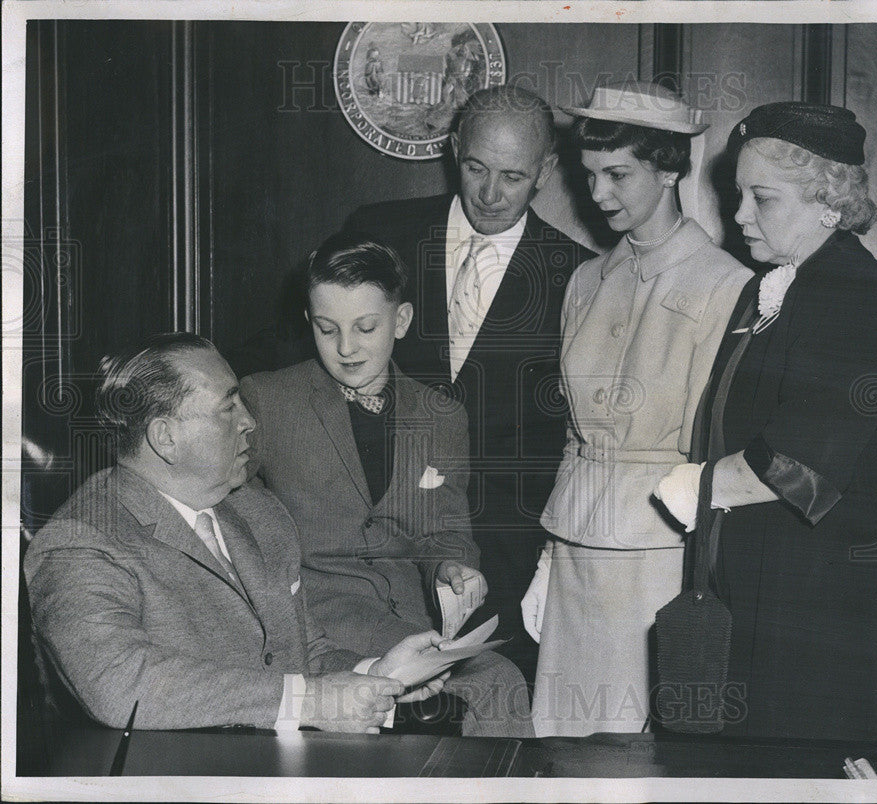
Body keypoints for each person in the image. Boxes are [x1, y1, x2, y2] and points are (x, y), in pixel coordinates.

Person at [655, 101, 877, 742]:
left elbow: (801, 467)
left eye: (763, 198)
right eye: (738, 195)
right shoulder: (783, 283)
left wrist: (695, 487)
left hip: (833, 604)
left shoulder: (851, 292)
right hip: (780, 588)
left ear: (828, 204)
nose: (739, 215)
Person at [23, 333, 451, 732]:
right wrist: (311, 702)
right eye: (229, 407)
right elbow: (119, 685)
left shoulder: (258, 511)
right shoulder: (80, 541)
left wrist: (374, 675)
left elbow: (303, 654)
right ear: (165, 437)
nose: (249, 421)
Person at [341, 85, 595, 682]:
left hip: (505, 556)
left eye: (512, 176)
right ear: (454, 148)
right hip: (379, 545)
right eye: (476, 167)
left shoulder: (579, 275)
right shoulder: (377, 233)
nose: (489, 193)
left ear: (546, 172)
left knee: (493, 722)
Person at [523, 82, 752, 736]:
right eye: (589, 175)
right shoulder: (585, 280)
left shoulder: (726, 284)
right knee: (562, 738)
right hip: (574, 543)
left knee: (635, 741)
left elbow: (714, 448)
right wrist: (547, 557)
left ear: (670, 168)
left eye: (617, 175)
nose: (597, 195)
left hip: (662, 546)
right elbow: (574, 433)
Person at [240, 239, 533, 737]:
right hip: (317, 625)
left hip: (410, 624)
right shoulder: (266, 399)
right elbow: (223, 525)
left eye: (366, 328)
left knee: (501, 681)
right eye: (327, 329)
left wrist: (453, 568)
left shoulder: (441, 415)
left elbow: (447, 533)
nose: (346, 348)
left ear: (400, 321)